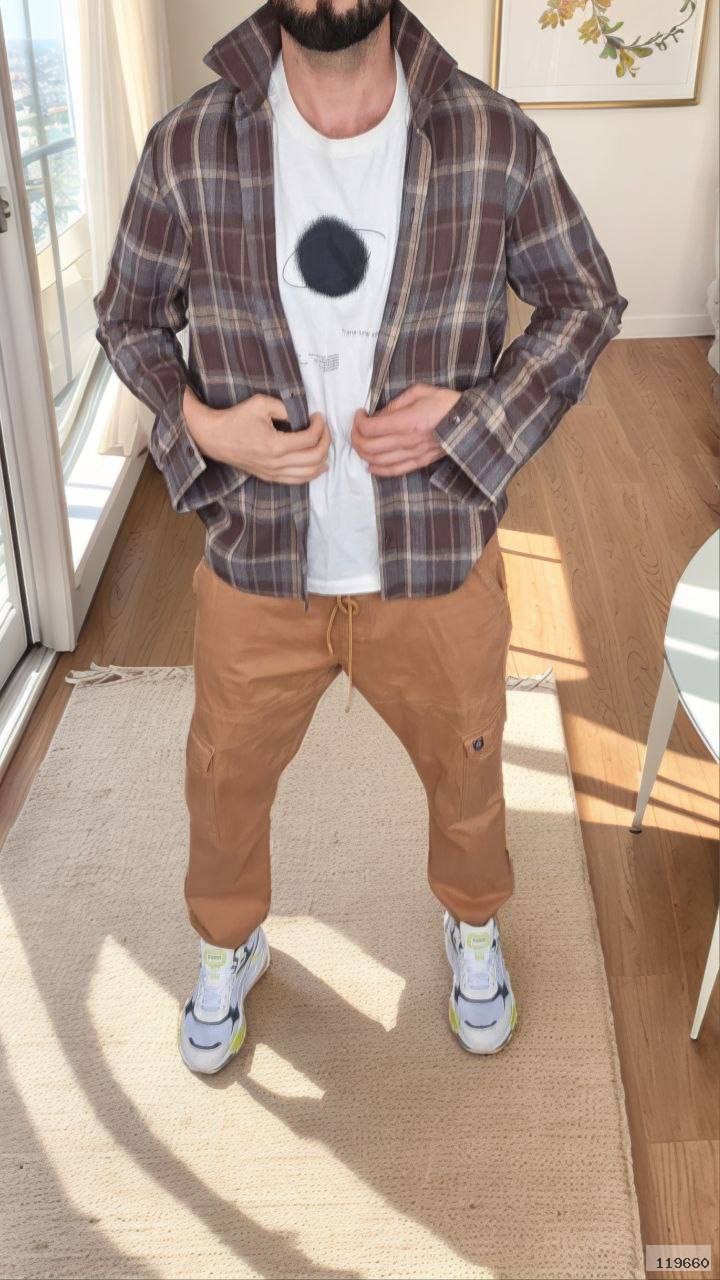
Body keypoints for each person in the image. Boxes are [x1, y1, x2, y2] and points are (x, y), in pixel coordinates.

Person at [93, 0, 628, 1073]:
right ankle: (227, 940)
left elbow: (585, 301)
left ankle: (472, 920)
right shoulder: (188, 146)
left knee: (470, 764)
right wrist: (202, 426)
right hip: (257, 556)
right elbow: (127, 315)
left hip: (433, 554)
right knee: (224, 775)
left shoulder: (494, 138)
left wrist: (472, 418)